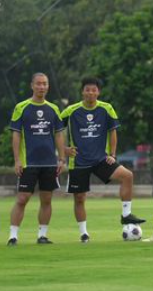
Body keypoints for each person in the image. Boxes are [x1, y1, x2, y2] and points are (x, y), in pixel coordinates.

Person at [60, 76, 145, 243]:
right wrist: (63, 149)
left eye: (94, 90)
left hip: (101, 159)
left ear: (98, 92)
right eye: (87, 89)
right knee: (79, 198)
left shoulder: (107, 109)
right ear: (82, 91)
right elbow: (55, 130)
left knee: (127, 176)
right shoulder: (71, 111)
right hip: (78, 161)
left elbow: (113, 131)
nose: (90, 93)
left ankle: (126, 215)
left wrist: (112, 155)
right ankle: (83, 233)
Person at [7, 73, 66, 246]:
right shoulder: (21, 107)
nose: (42, 87)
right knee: (22, 198)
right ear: (32, 85)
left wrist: (61, 159)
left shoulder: (53, 108)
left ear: (48, 86)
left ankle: (42, 235)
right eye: (38, 84)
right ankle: (13, 236)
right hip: (29, 162)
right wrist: (17, 160)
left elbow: (59, 135)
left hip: (49, 162)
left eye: (45, 84)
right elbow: (16, 135)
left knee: (46, 199)